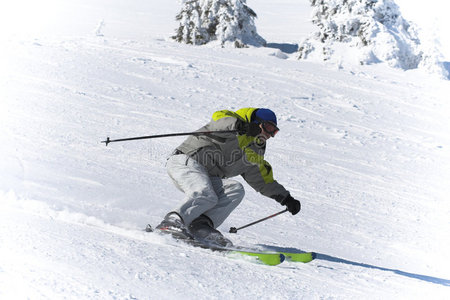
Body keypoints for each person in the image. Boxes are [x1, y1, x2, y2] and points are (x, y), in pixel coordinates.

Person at [156, 107, 301, 246]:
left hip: (207, 175)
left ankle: (200, 226)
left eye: (274, 131)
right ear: (257, 122)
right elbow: (219, 121)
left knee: (235, 189)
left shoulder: (255, 150)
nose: (270, 135)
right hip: (187, 161)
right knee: (205, 193)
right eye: (269, 128)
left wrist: (286, 198)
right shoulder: (231, 124)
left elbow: (261, 179)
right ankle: (172, 222)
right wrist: (240, 125)